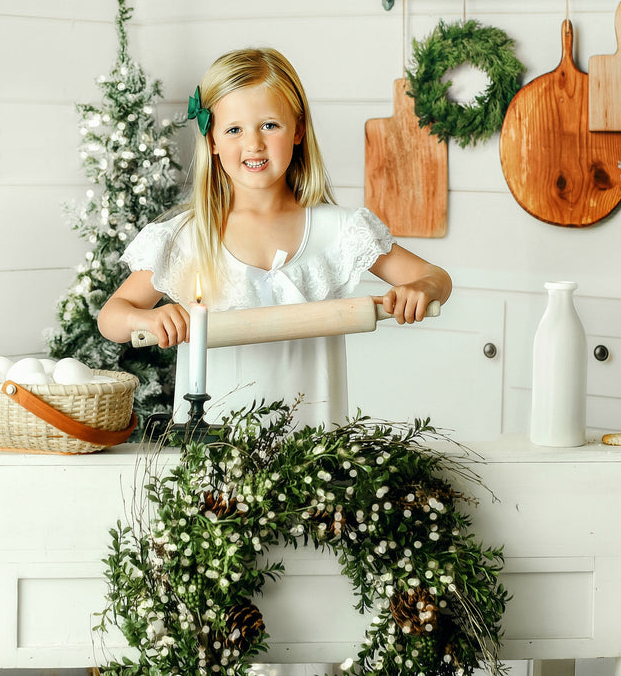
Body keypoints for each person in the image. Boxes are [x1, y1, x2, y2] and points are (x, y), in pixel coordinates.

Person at [98, 47, 451, 429]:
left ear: (298, 129)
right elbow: (111, 318)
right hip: (215, 448)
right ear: (212, 139)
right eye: (234, 129)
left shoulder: (339, 231)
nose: (254, 144)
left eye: (269, 125)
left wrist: (421, 289)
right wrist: (148, 318)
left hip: (313, 446)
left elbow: (436, 278)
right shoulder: (188, 237)